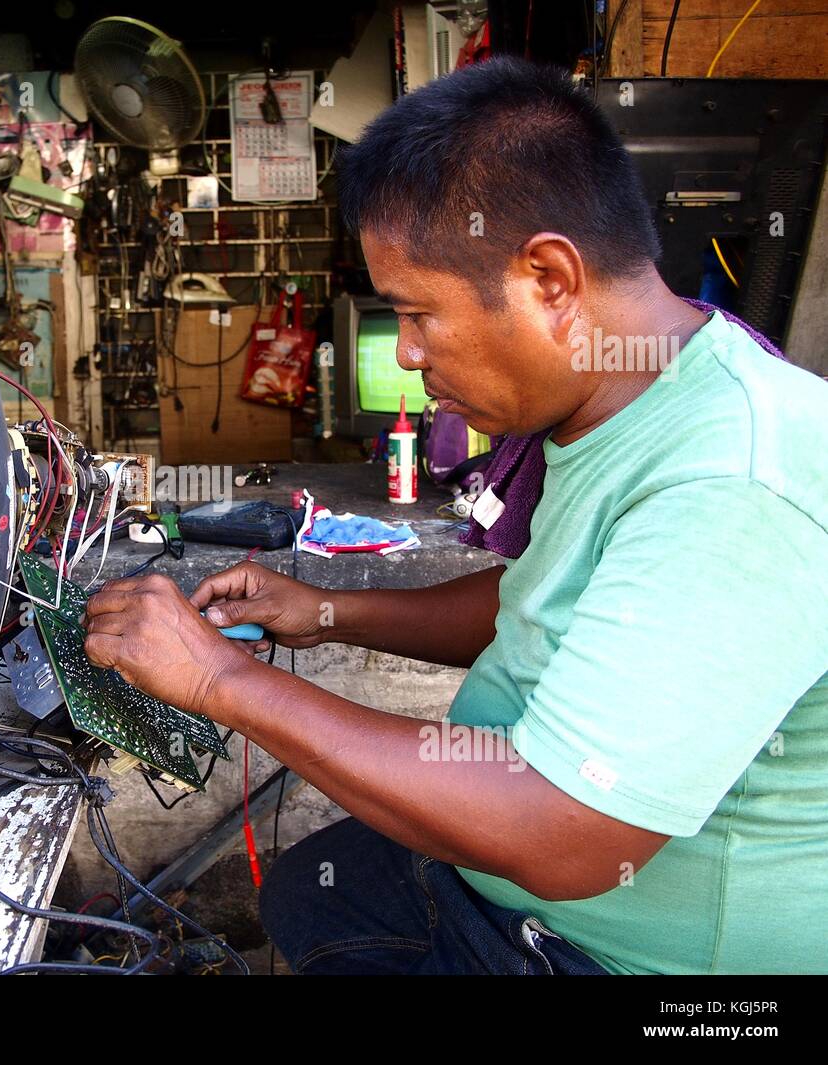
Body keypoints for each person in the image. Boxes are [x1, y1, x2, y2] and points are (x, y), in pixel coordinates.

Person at [82, 57, 828, 975]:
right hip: (504, 887)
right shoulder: (628, 405)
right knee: (305, 891)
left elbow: (565, 833)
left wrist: (219, 682)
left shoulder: (733, 478)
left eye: (418, 313)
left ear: (550, 279)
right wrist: (319, 609)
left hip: (617, 960)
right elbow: (533, 601)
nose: (407, 351)